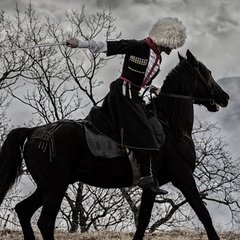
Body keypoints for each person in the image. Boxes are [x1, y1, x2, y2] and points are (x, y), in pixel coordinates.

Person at [66, 17, 187, 194]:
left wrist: (152, 88)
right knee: (143, 130)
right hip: (122, 93)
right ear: (166, 39)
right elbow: (109, 45)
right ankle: (146, 177)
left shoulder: (158, 58)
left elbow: (141, 79)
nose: (172, 49)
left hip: (134, 95)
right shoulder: (139, 46)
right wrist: (80, 44)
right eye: (172, 45)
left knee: (153, 124)